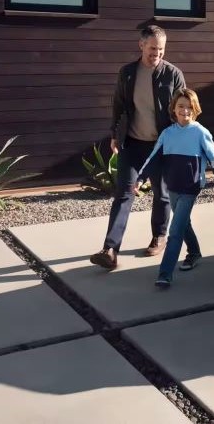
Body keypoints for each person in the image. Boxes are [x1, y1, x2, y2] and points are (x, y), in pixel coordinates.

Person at [90, 25, 186, 270]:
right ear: (141, 45)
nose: (157, 53)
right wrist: (115, 134)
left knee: (162, 194)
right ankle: (110, 249)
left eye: (161, 49)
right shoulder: (128, 73)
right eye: (153, 48)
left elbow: (184, 108)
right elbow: (119, 104)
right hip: (132, 143)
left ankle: (159, 236)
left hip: (162, 145)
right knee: (124, 193)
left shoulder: (173, 74)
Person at [131, 88, 214, 288]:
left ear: (195, 109)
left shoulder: (200, 132)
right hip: (172, 186)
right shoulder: (167, 134)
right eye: (181, 106)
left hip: (191, 187)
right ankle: (194, 252)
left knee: (175, 231)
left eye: (189, 107)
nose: (185, 111)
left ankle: (165, 274)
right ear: (174, 110)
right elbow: (153, 157)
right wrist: (140, 177)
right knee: (183, 223)